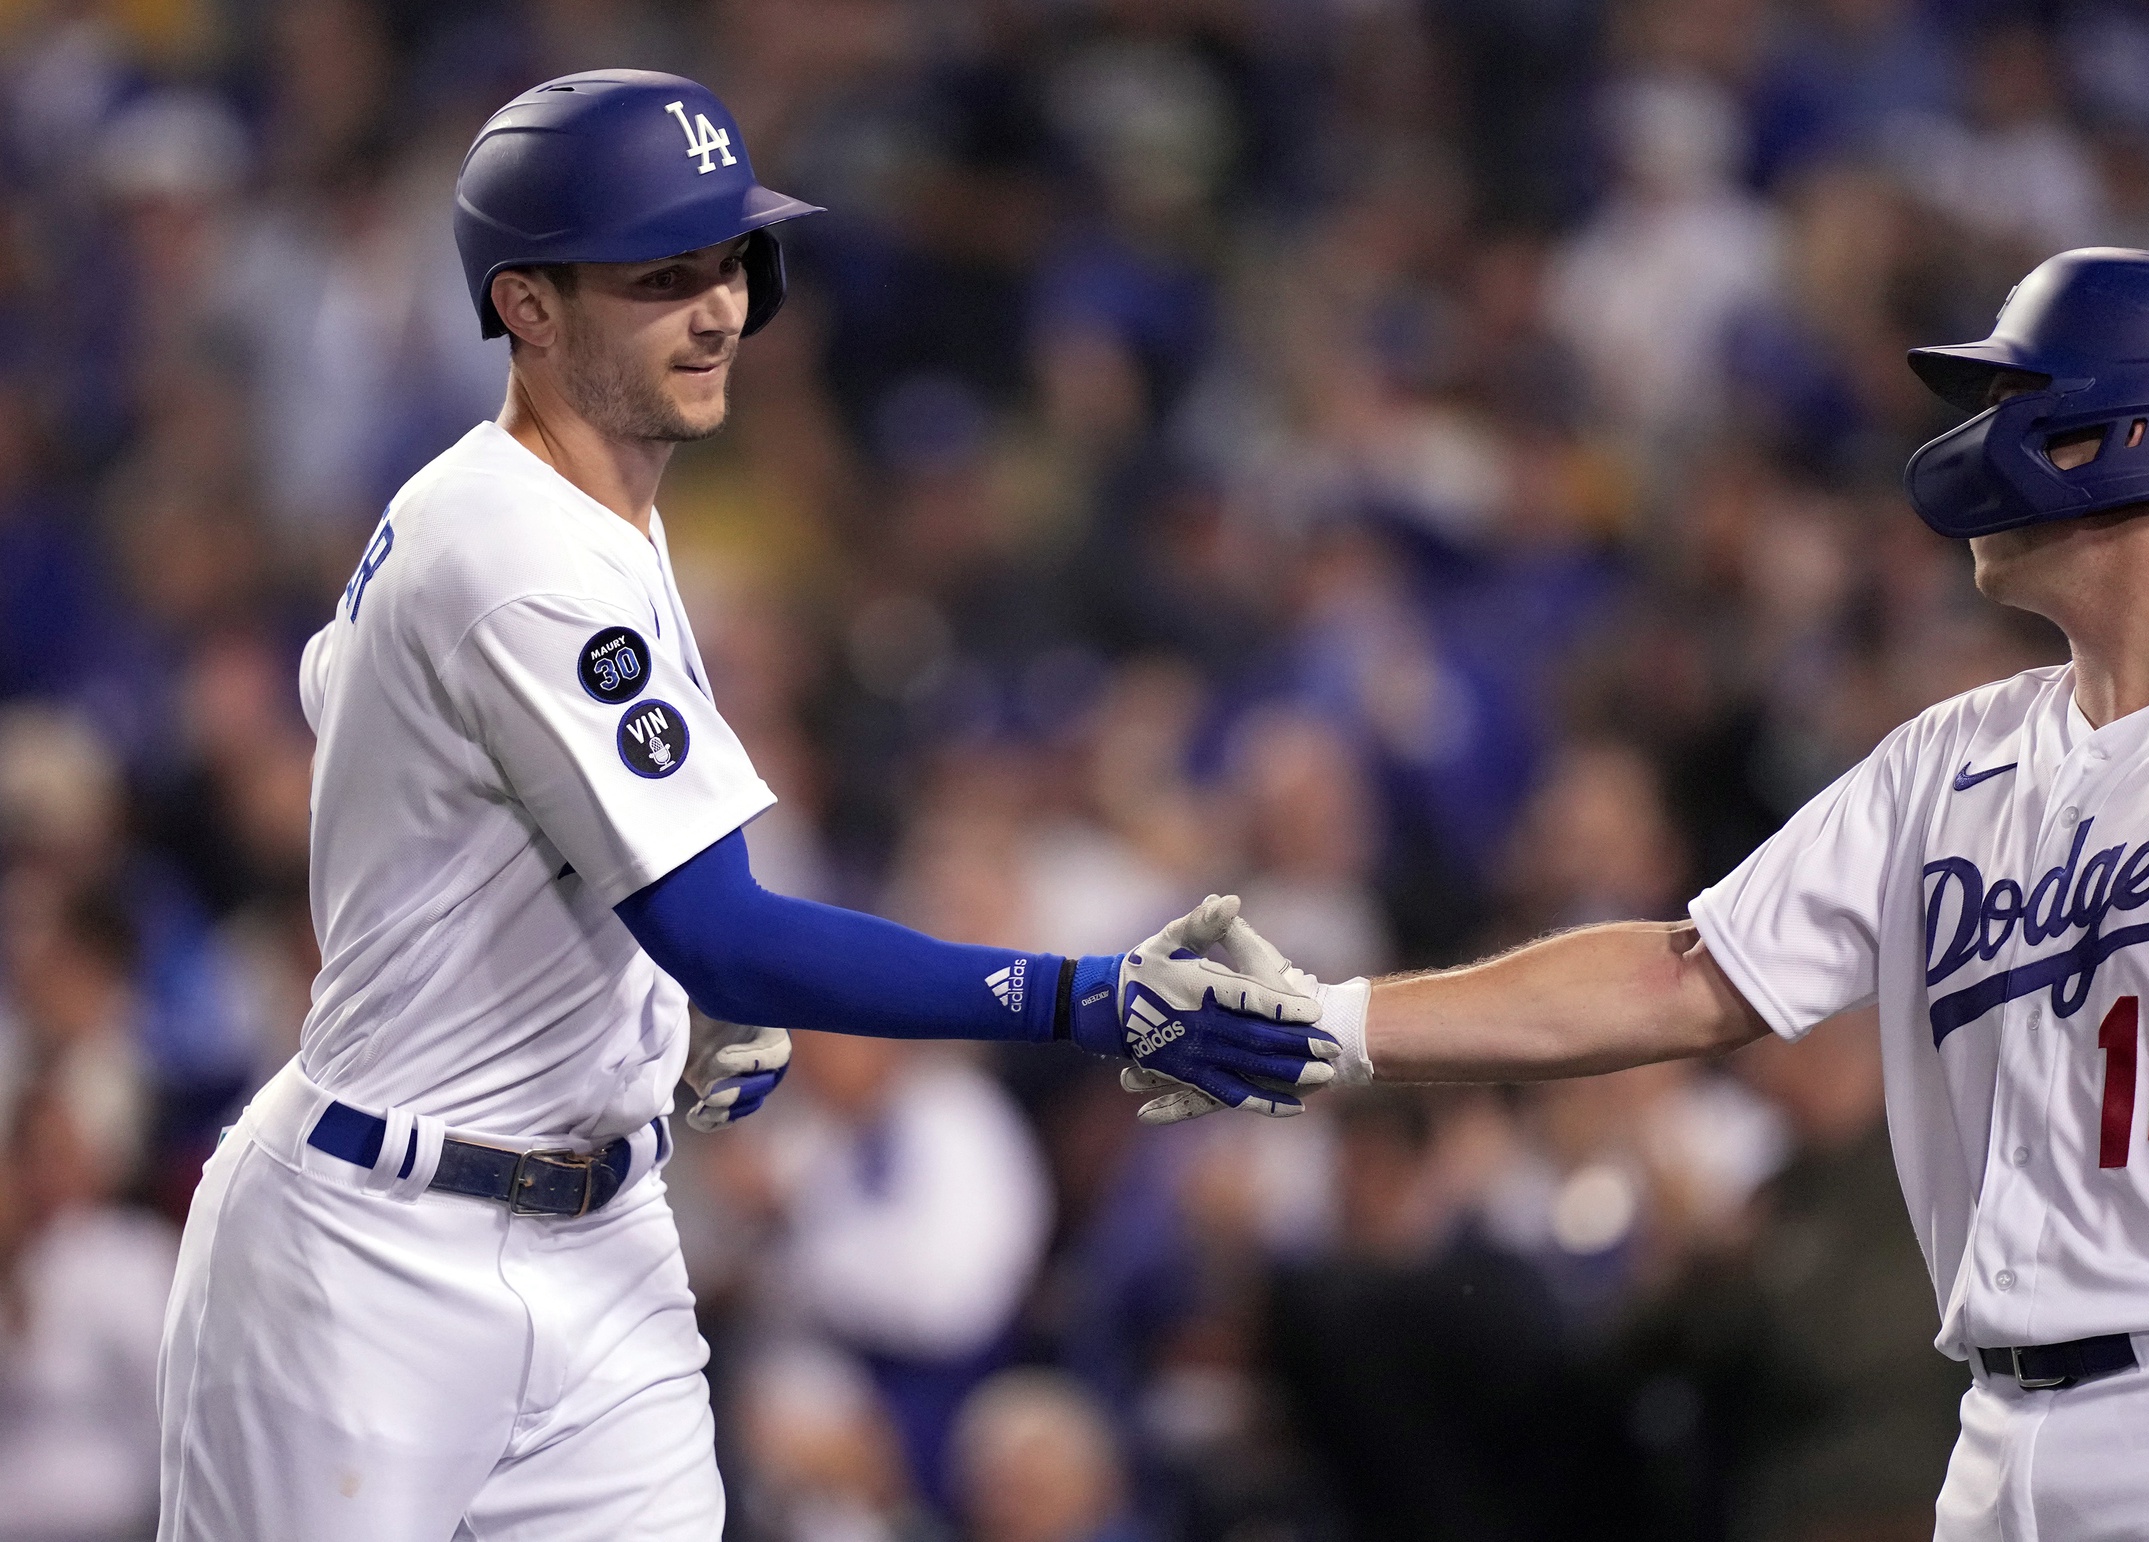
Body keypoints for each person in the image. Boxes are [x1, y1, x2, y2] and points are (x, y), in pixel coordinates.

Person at [153, 70, 1328, 1542]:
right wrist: (1096, 999)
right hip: (375, 1255)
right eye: (663, 275)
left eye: (731, 261)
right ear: (526, 305)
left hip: (604, 1246)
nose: (719, 308)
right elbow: (726, 933)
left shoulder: (545, 498)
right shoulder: (519, 547)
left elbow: (351, 691)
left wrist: (627, 987)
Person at [1228, 249, 2149, 1537]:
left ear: (2128, 431)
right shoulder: (1956, 756)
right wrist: (1315, 1023)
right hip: (1999, 1436)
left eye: (2021, 402)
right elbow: (1687, 974)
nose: (1979, 440)